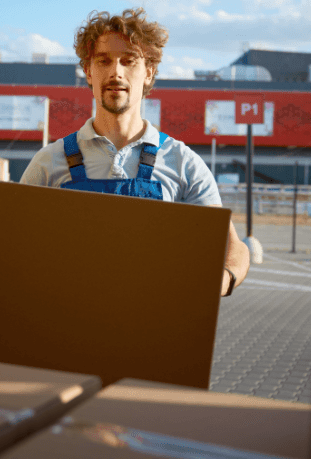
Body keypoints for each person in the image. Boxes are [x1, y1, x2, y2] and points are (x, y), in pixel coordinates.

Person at [20, 8, 249, 296]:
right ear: (89, 72)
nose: (116, 71)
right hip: (69, 329)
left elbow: (232, 245)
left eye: (129, 61)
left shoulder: (183, 163)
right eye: (103, 61)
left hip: (153, 330)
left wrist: (225, 278)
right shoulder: (48, 162)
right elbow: (13, 246)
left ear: (149, 72)